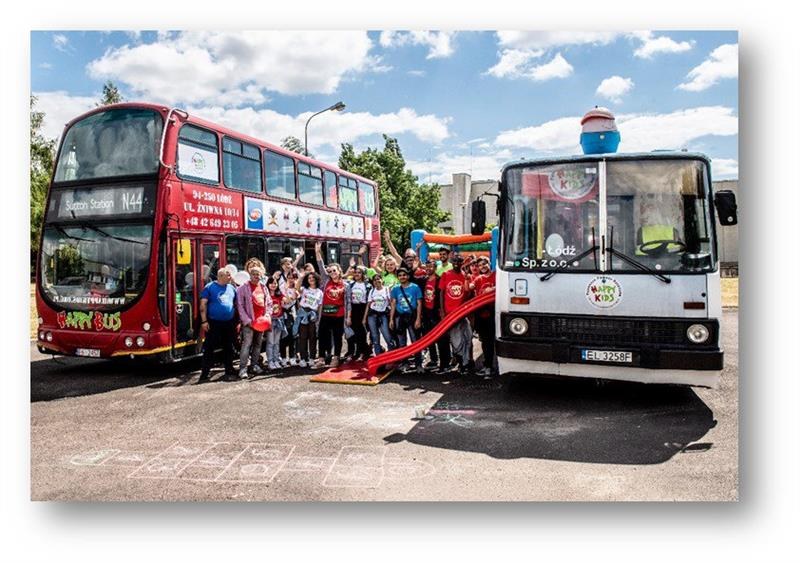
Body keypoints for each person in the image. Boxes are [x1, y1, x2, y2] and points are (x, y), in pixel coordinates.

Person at [198, 268, 237, 382]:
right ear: (220, 276)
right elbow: (203, 305)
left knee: (228, 347)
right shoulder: (210, 287)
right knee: (209, 347)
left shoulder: (231, 288)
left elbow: (235, 303)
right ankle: (205, 372)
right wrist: (204, 321)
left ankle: (229, 369)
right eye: (228, 275)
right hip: (213, 322)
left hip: (228, 322)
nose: (230, 277)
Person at [315, 242, 349, 367]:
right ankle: (321, 359)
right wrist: (318, 251)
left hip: (339, 315)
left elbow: (348, 301)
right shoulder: (326, 281)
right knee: (322, 335)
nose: (332, 272)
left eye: (334, 270)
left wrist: (348, 316)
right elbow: (320, 265)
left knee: (337, 337)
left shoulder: (345, 285)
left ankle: (336, 357)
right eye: (330, 271)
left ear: (339, 271)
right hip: (325, 313)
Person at [439, 254, 473, 376]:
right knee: (456, 340)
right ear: (451, 262)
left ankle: (466, 362)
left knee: (468, 337)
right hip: (450, 314)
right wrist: (442, 311)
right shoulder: (446, 275)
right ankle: (462, 364)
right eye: (454, 262)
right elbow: (442, 293)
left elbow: (468, 294)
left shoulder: (465, 276)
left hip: (462, 313)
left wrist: (468, 280)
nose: (456, 264)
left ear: (462, 263)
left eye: (459, 262)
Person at [236, 266, 271, 379]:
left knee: (258, 345)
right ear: (250, 275)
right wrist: (247, 320)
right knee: (246, 345)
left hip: (261, 322)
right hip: (249, 323)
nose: (256, 276)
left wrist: (267, 316)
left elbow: (269, 303)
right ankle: (242, 369)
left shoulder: (264, 287)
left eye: (258, 274)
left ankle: (254, 365)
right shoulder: (242, 288)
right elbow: (240, 306)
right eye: (254, 274)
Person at [390, 267, 423, 371]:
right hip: (400, 318)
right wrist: (391, 319)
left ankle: (418, 364)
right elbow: (393, 304)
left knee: (415, 341)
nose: (402, 277)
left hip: (412, 317)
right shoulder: (395, 289)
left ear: (408, 276)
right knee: (402, 342)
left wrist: (418, 319)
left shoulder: (415, 287)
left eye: (404, 275)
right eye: (400, 275)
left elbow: (419, 304)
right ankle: (405, 363)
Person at [420, 257, 451, 372]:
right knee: (429, 338)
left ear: (435, 268)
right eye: (427, 266)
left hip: (437, 313)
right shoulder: (423, 280)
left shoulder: (440, 280)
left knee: (442, 339)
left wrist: (442, 311)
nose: (428, 269)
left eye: (431, 266)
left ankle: (445, 363)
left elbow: (443, 295)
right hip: (426, 313)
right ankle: (434, 360)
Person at [472, 257, 496, 378]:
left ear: (489, 263)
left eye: (484, 263)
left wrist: (492, 289)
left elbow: (504, 285)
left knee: (491, 341)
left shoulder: (496, 275)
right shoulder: (478, 279)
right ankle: (487, 366)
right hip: (481, 314)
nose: (483, 266)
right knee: (485, 341)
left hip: (493, 313)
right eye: (480, 265)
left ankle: (490, 367)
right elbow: (469, 287)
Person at [295, 271, 323, 368]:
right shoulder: (304, 289)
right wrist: (301, 277)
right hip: (303, 313)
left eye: (313, 278)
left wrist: (318, 318)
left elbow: (320, 306)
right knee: (302, 337)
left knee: (312, 337)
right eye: (309, 278)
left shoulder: (320, 292)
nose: (311, 279)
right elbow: (297, 288)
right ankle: (303, 358)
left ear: (316, 279)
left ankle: (311, 358)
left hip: (313, 314)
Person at [364, 273, 393, 358]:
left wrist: (391, 318)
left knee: (387, 335)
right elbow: (368, 304)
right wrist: (364, 318)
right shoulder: (372, 291)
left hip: (383, 315)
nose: (377, 281)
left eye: (378, 279)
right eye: (375, 280)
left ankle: (391, 355)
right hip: (372, 315)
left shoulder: (387, 290)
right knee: (375, 337)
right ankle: (378, 357)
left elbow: (391, 303)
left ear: (382, 280)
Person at [345, 265, 370, 361]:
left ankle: (363, 352)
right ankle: (351, 352)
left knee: (361, 332)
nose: (357, 274)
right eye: (355, 272)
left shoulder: (367, 285)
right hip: (352, 308)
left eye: (359, 272)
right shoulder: (350, 284)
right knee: (351, 332)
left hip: (362, 308)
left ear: (363, 274)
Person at [265, 277, 286, 371]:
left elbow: (288, 300)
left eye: (275, 283)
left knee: (277, 342)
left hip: (279, 320)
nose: (273, 285)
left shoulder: (279, 294)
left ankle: (276, 359)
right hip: (270, 320)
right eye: (271, 283)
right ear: (268, 284)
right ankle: (270, 361)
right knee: (270, 342)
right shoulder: (266, 295)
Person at [280, 271, 299, 366]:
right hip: (282, 313)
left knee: (292, 336)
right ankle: (283, 357)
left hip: (292, 313)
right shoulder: (281, 286)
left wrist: (286, 291)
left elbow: (290, 300)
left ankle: (292, 357)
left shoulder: (296, 289)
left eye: (293, 277)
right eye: (289, 277)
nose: (290, 279)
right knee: (283, 336)